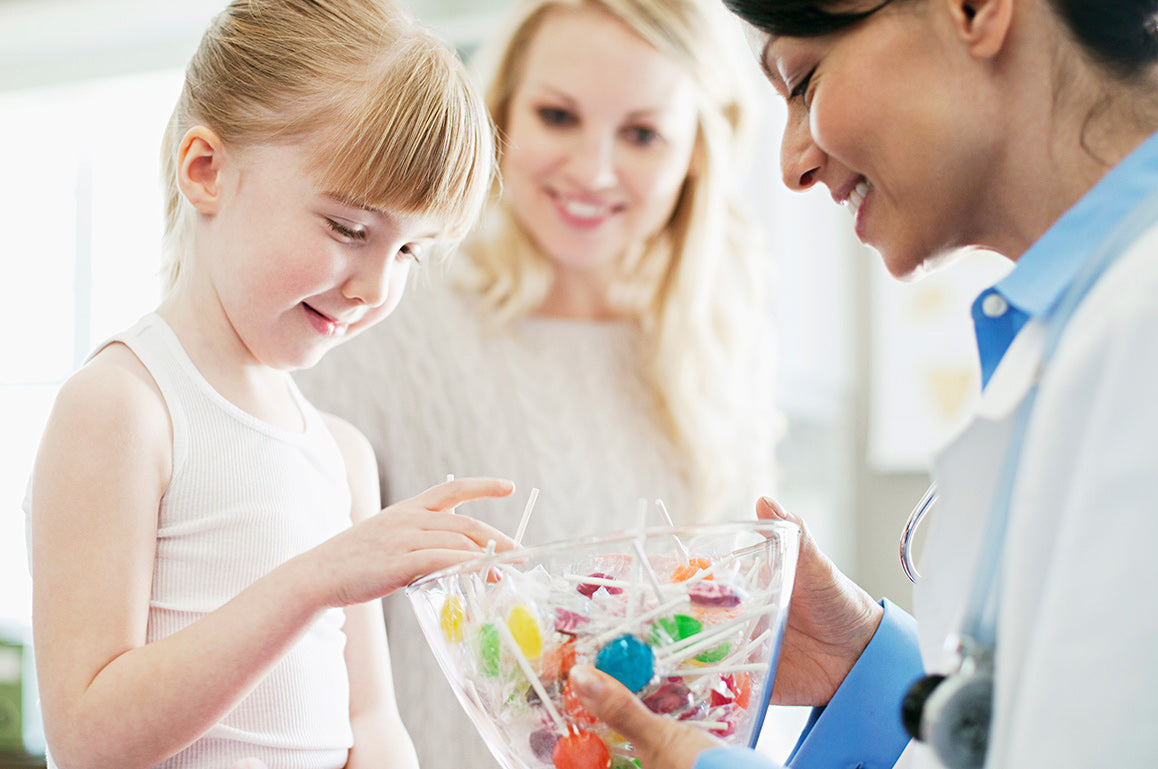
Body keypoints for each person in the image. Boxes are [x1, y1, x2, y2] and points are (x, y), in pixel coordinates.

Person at [565, 0, 1158, 767]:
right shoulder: (1072, 331)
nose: (792, 165)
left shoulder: (1135, 334)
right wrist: (870, 668)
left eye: (804, 81)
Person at [23, 1, 519, 767]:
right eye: (349, 229)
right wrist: (318, 577)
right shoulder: (123, 407)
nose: (374, 288)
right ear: (206, 171)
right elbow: (88, 737)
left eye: (409, 251)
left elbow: (370, 721)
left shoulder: (341, 456)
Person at [295, 0, 788, 765]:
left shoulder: (720, 346)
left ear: (697, 148)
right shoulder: (385, 313)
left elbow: (725, 652)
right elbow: (303, 616)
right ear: (501, 116)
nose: (592, 171)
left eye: (642, 133)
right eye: (558, 116)